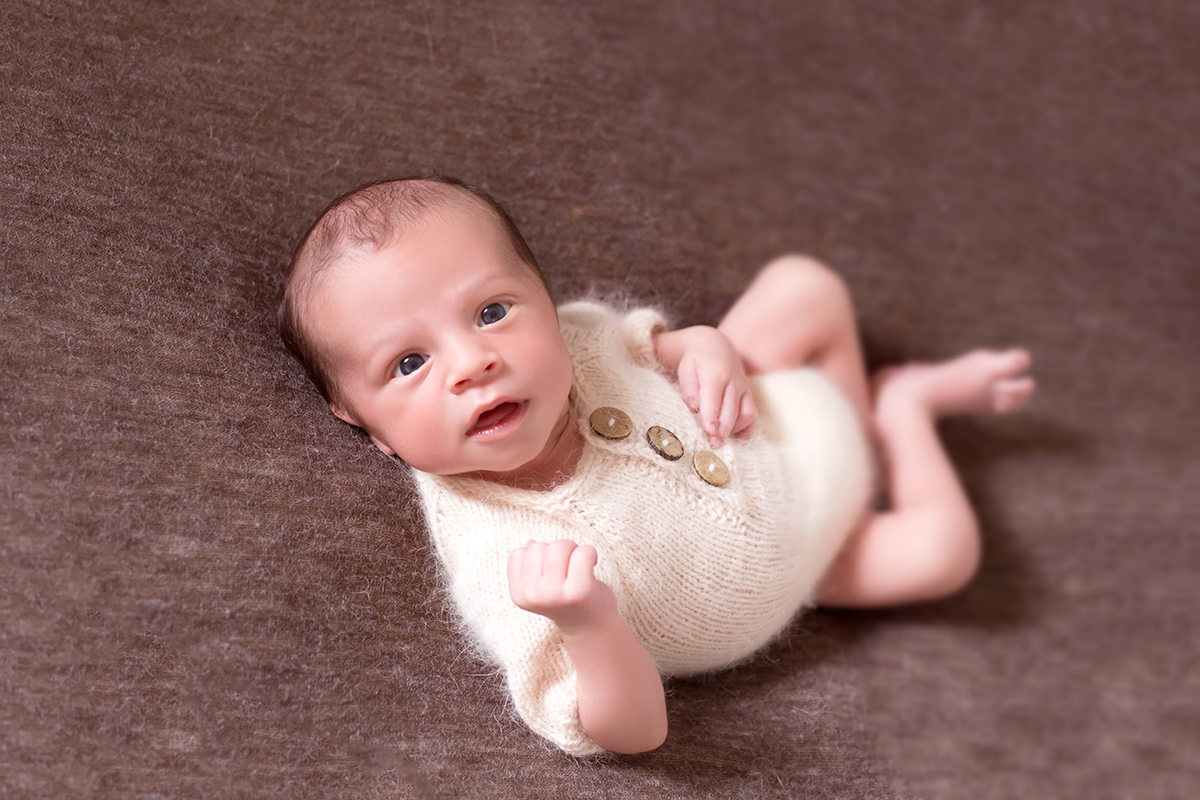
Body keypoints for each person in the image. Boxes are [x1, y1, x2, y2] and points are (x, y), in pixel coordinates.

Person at [277, 176, 1035, 756]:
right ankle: (905, 411)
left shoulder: (574, 340)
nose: (475, 362)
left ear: (543, 298)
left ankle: (862, 413)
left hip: (758, 409)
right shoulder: (502, 561)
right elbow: (634, 733)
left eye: (493, 312)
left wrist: (703, 346)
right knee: (944, 555)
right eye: (409, 362)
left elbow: (647, 346)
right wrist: (588, 622)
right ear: (367, 426)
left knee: (805, 287)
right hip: (813, 565)